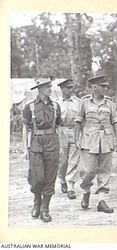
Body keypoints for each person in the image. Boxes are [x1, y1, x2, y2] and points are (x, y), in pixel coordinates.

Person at [75, 75, 117, 213]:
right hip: (89, 140)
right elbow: (78, 121)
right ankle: (86, 191)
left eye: (106, 86)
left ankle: (102, 200)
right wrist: (77, 138)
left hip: (106, 139)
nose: (106, 89)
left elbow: (115, 121)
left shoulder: (110, 103)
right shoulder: (84, 102)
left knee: (105, 170)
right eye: (103, 86)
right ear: (94, 87)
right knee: (88, 170)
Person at [22, 76, 63, 222]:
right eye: (47, 87)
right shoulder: (30, 106)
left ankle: (45, 209)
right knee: (37, 177)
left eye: (50, 86)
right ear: (39, 89)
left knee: (50, 177)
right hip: (35, 144)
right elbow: (26, 128)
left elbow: (58, 126)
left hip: (52, 143)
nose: (50, 89)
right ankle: (36, 202)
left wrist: (61, 146)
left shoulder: (56, 106)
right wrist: (25, 148)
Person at [55, 79, 81, 199]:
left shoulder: (78, 102)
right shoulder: (56, 103)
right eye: (68, 88)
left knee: (74, 160)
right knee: (62, 160)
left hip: (74, 131)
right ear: (62, 89)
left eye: (72, 87)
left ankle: (71, 185)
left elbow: (82, 119)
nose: (71, 90)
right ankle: (62, 180)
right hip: (61, 131)